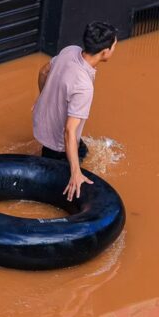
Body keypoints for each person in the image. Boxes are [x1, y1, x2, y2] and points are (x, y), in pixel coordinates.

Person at [32, 21, 118, 201]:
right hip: (56, 141)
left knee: (82, 149)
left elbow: (43, 72)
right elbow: (69, 131)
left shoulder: (70, 50)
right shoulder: (84, 86)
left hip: (40, 121)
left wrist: (45, 100)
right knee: (61, 173)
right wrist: (76, 173)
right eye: (114, 46)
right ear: (105, 52)